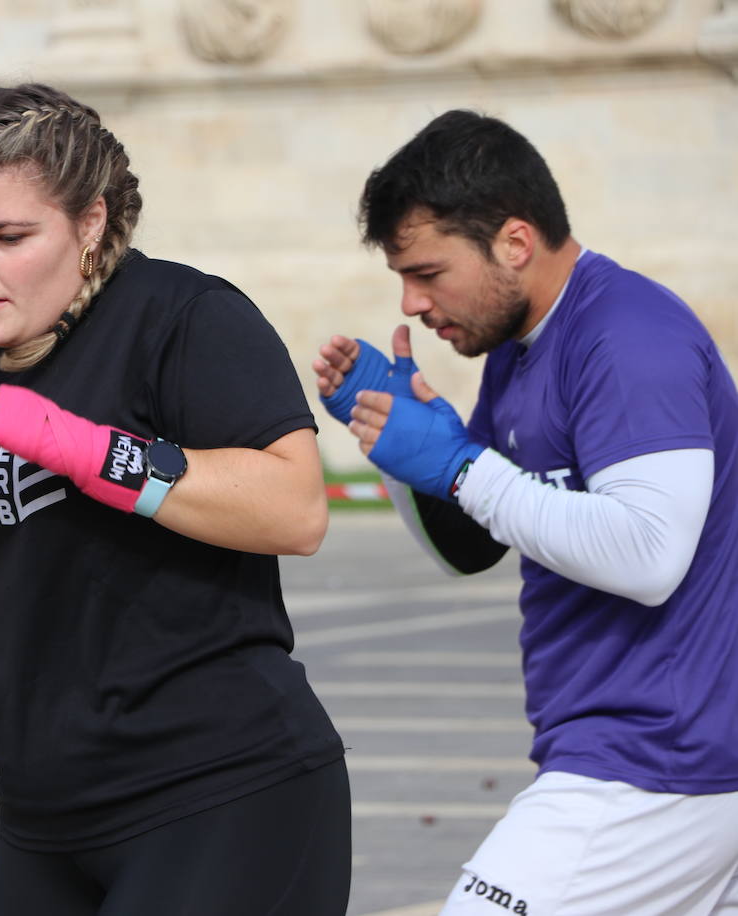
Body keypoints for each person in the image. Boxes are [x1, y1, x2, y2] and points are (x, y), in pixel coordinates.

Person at [0, 83, 350, 915]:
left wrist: (78, 446)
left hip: (222, 792)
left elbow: (295, 509)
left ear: (90, 223)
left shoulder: (183, 317)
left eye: (7, 237)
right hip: (42, 815)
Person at [314, 109, 738, 915]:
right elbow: (474, 547)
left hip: (656, 763)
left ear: (514, 241)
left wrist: (459, 464)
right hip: (641, 757)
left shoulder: (627, 338)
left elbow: (650, 555)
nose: (409, 303)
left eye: (428, 272)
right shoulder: (521, 348)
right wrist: (407, 454)